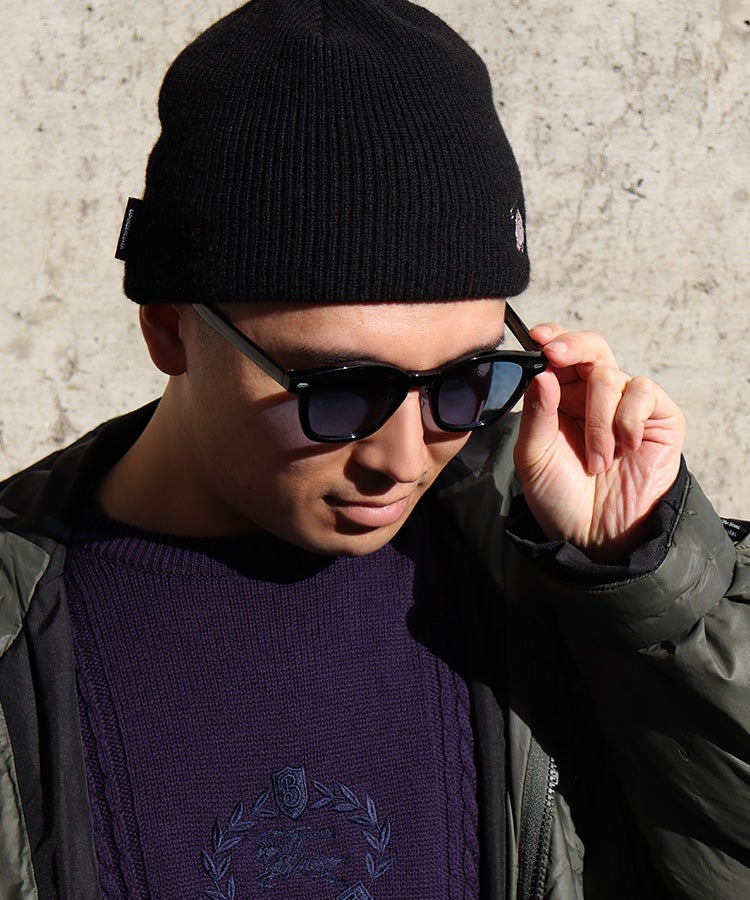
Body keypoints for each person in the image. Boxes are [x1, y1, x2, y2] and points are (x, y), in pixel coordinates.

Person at [1, 1, 748, 898]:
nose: (402, 458)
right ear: (169, 329)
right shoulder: (18, 630)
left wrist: (652, 586)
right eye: (341, 390)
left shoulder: (542, 583)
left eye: (465, 382)